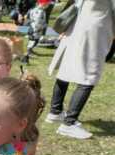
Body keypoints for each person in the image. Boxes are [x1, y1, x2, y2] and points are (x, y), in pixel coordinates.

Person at [45, 0, 115, 139]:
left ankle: (55, 111)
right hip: (94, 29)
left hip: (78, 24)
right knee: (89, 75)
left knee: (66, 69)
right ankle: (69, 123)